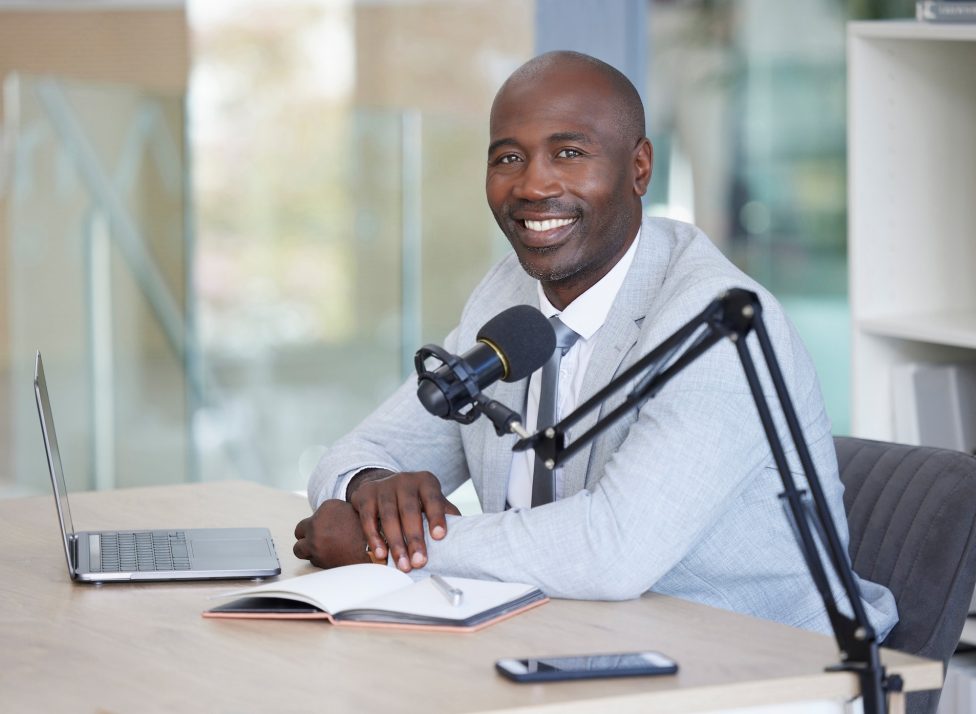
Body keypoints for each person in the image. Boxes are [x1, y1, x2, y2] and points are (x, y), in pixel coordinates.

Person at [293, 50, 898, 638]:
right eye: (508, 157)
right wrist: (371, 489)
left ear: (639, 168)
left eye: (569, 152)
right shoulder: (509, 293)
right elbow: (360, 450)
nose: (532, 185)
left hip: (761, 664)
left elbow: (614, 548)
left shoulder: (716, 321)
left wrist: (385, 550)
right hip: (568, 642)